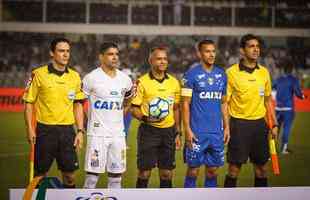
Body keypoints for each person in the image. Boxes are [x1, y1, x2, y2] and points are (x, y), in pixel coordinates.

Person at [23, 38, 85, 188]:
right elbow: (29, 103)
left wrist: (80, 130)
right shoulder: (38, 74)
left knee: (70, 176)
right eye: (61, 51)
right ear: (52, 53)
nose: (65, 54)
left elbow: (78, 105)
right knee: (39, 176)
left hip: (67, 132)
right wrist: (30, 129)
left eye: (68, 51)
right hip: (45, 131)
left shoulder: (75, 76)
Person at [224, 34, 278, 187]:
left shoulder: (264, 72)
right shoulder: (231, 73)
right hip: (239, 125)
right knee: (234, 169)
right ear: (242, 50)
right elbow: (225, 103)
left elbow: (267, 100)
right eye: (251, 46)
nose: (256, 49)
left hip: (260, 126)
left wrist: (273, 124)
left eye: (257, 46)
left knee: (261, 170)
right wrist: (226, 126)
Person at [82, 42, 134, 189]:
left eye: (116, 54)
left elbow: (129, 98)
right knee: (92, 178)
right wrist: (85, 124)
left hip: (118, 135)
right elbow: (79, 103)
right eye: (111, 54)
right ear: (101, 57)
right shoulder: (91, 78)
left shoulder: (125, 79)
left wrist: (123, 110)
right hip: (97, 134)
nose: (115, 57)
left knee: (116, 178)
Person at [130, 46, 181, 188]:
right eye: (159, 59)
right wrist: (146, 118)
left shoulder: (174, 82)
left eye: (165, 59)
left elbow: (176, 109)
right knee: (144, 173)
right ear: (151, 60)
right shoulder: (142, 82)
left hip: (168, 132)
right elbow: (134, 109)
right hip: (148, 132)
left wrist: (177, 132)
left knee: (166, 174)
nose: (162, 62)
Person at [182, 39, 230, 188]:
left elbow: (223, 102)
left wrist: (227, 127)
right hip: (197, 132)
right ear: (199, 53)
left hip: (216, 133)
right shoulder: (190, 74)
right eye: (207, 51)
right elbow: (185, 103)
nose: (211, 54)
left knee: (213, 171)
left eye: (213, 51)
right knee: (193, 171)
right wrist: (187, 130)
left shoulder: (222, 75)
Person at [273, 59, 304, 154]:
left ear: (283, 69)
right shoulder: (293, 80)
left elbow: (271, 88)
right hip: (288, 108)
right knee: (286, 128)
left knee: (276, 128)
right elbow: (298, 93)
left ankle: (272, 149)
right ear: (292, 69)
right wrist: (302, 96)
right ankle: (284, 149)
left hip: (278, 108)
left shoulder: (278, 79)